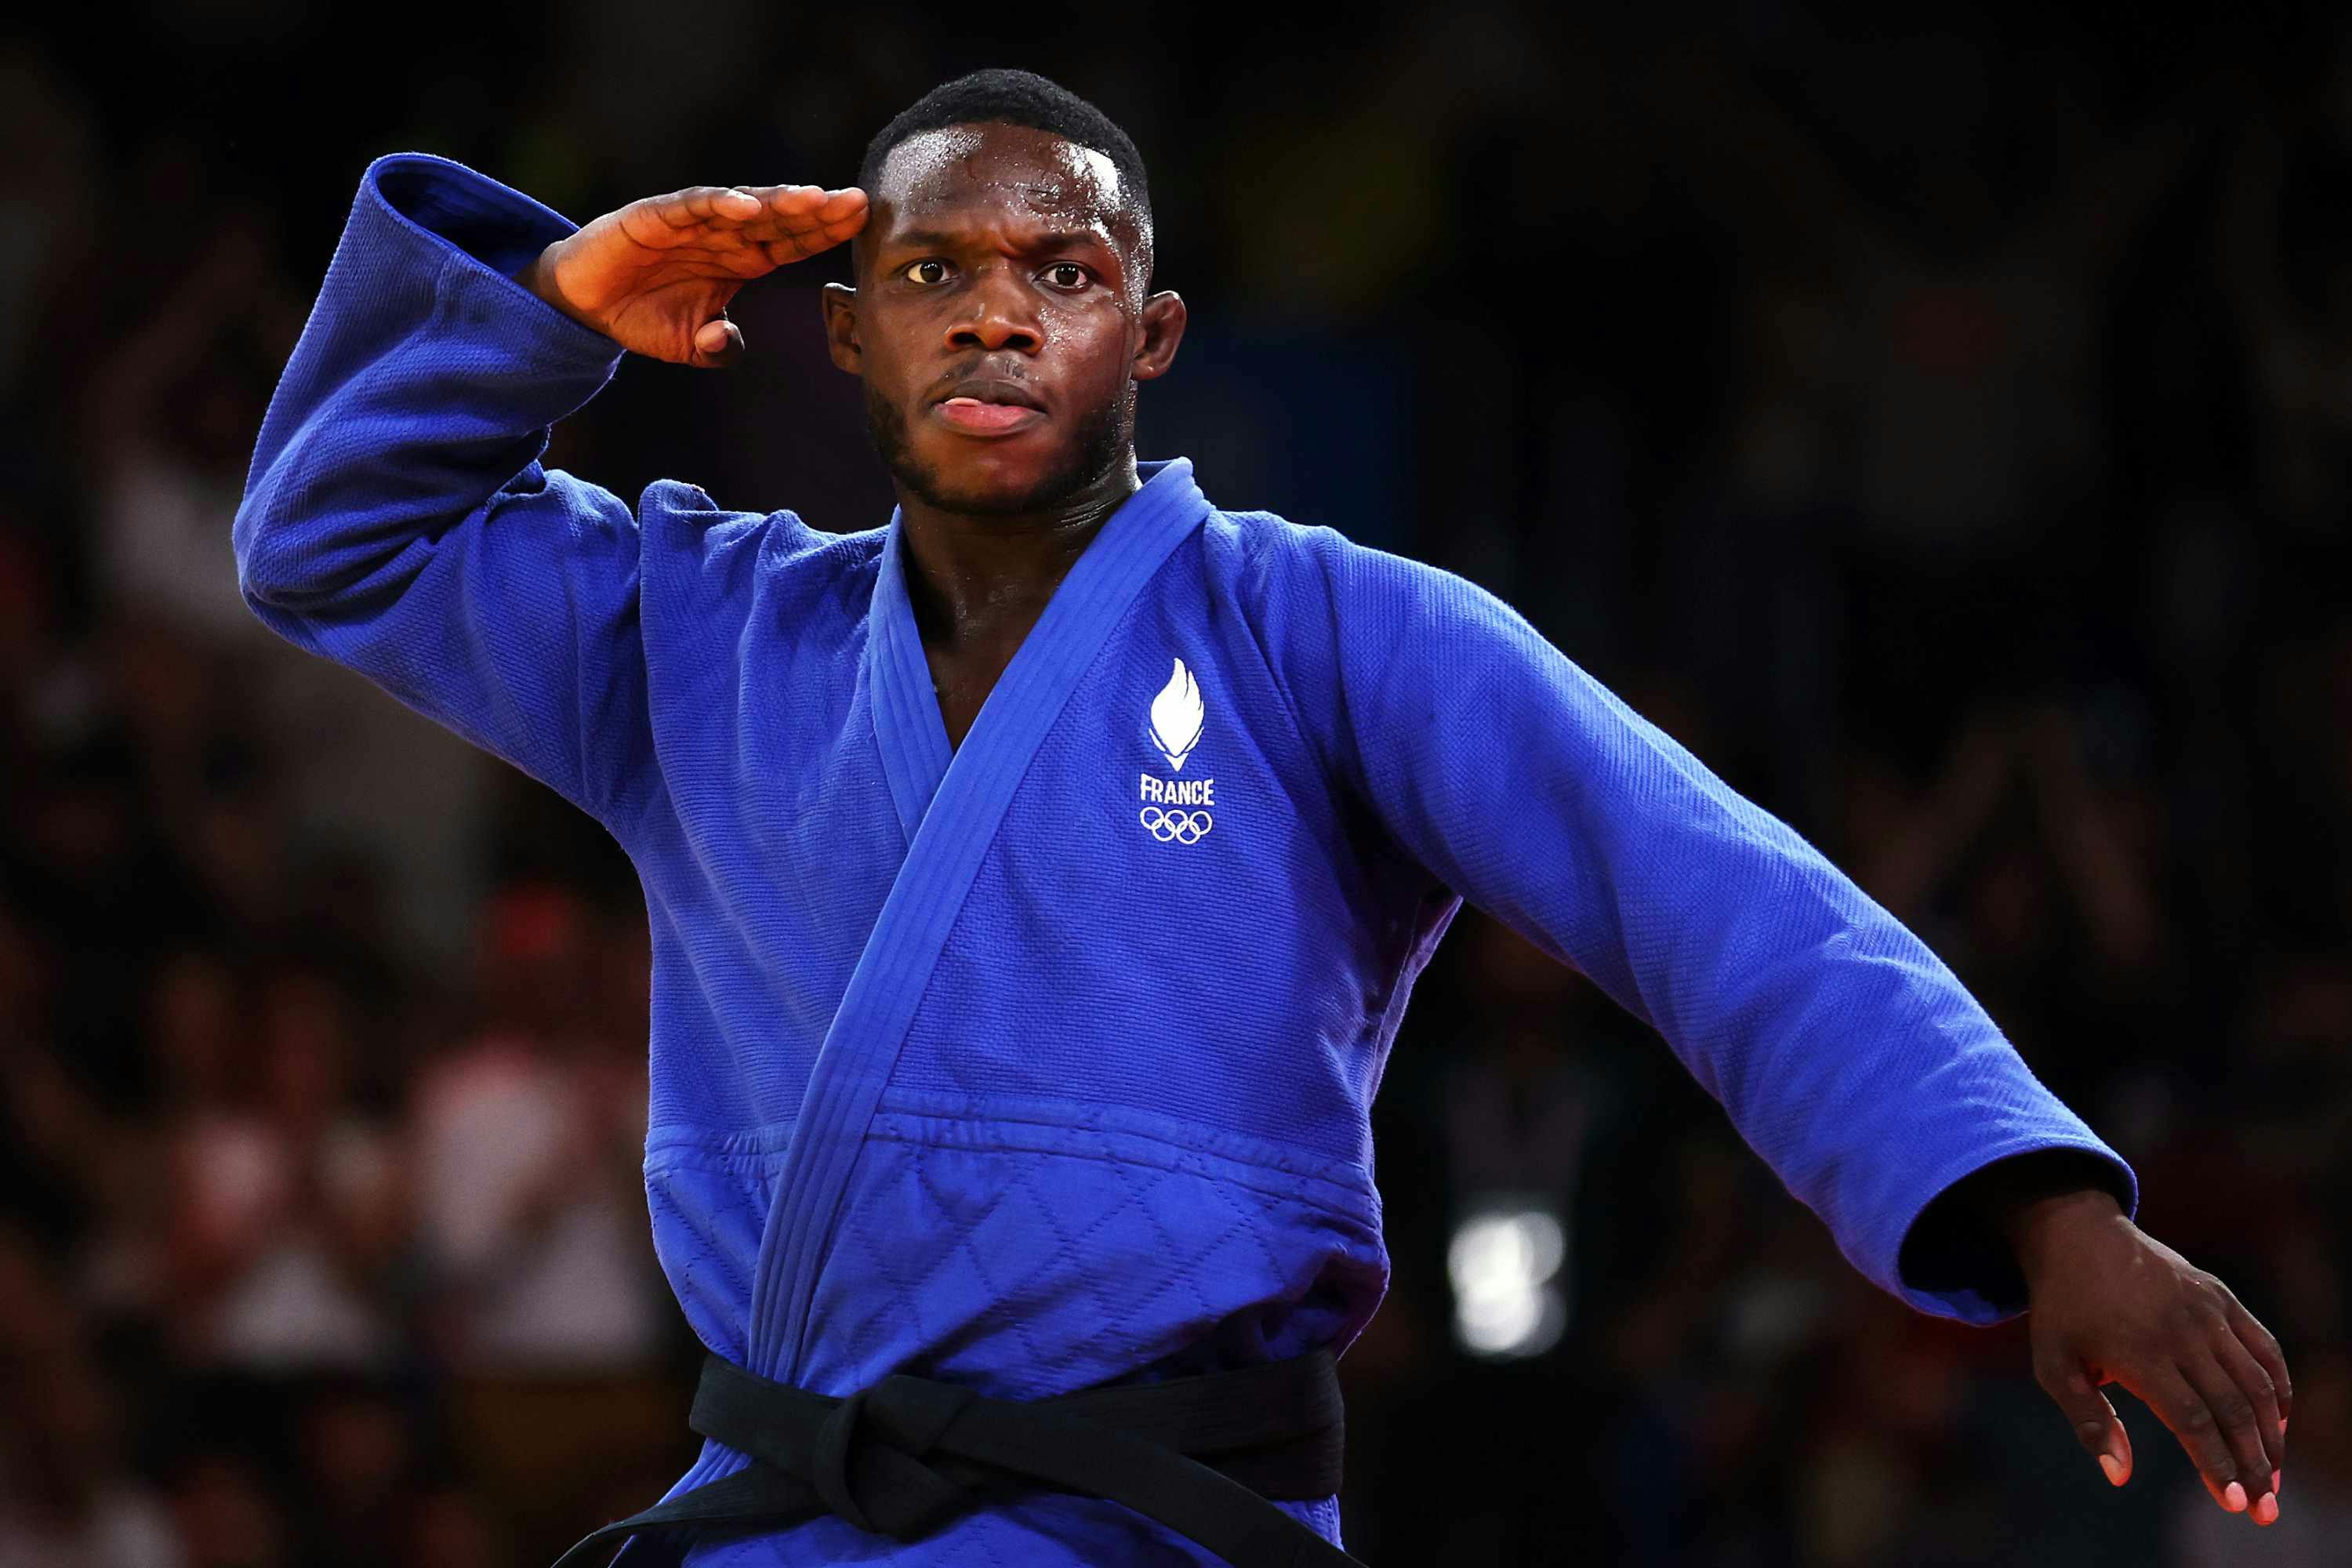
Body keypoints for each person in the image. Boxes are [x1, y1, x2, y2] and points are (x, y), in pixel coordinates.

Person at [231, 67, 2291, 1567]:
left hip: (1156, 1532)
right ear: (847, 335)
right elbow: (332, 540)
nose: (997, 311)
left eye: (1065, 264)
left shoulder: (1325, 631)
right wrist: (543, 315)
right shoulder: (697, 633)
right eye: (932, 265)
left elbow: (1705, 892)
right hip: (778, 1518)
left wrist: (2046, 1212)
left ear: (1154, 331)